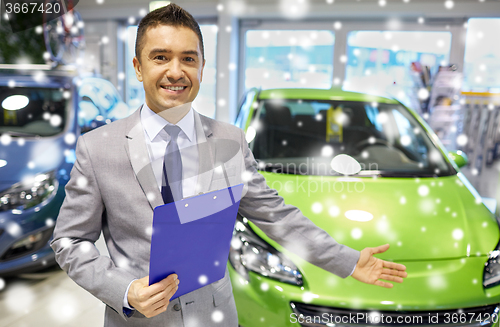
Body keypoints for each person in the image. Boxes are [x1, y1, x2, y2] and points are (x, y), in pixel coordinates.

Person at [51, 4, 407, 327]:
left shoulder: (230, 141)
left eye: (188, 59)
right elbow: (70, 239)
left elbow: (276, 216)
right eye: (160, 57)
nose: (176, 71)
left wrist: (347, 260)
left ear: (202, 68)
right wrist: (125, 290)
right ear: (138, 67)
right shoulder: (98, 148)